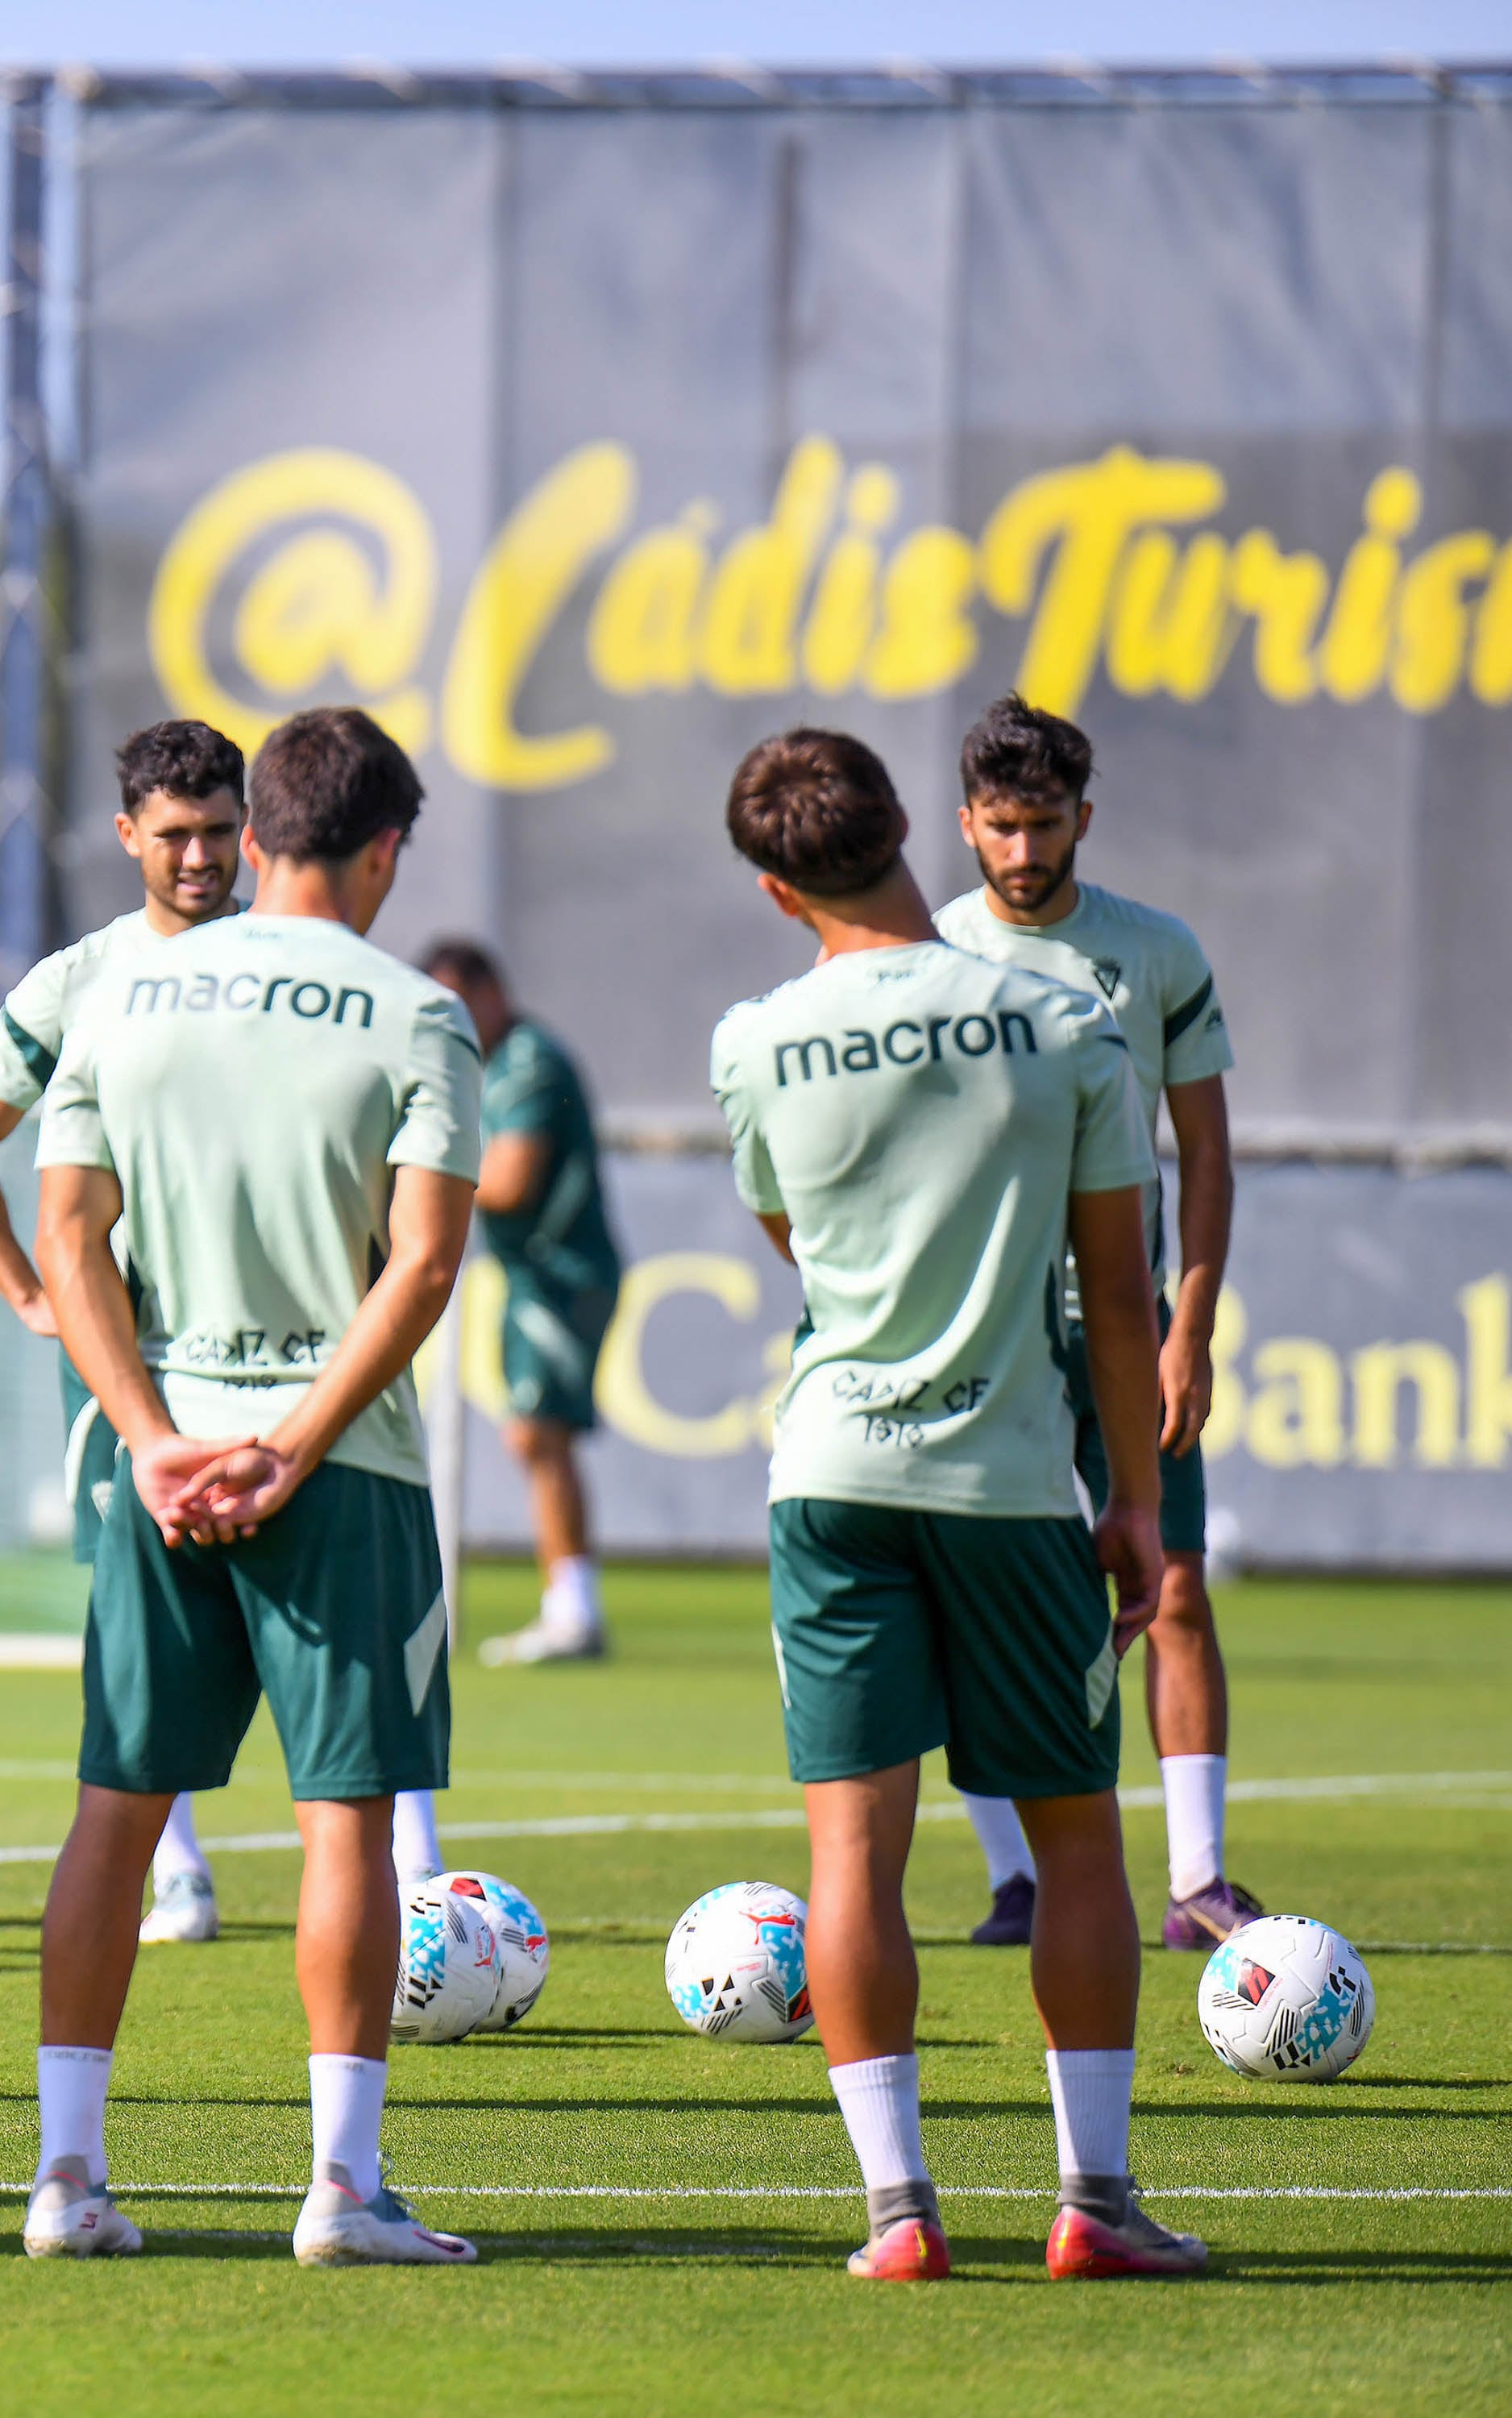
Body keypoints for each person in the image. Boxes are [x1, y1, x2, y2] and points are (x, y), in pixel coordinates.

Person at [709, 726, 1204, 2283]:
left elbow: (797, 1237)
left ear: (779, 890)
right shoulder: (1061, 1018)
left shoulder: (757, 1037)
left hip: (832, 1475)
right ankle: (1093, 2209)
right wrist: (1134, 1500)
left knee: (851, 1854)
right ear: (915, 827)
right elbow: (1117, 1296)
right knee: (1074, 1844)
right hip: (1007, 1483)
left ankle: (898, 2217)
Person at [19, 706, 484, 2268]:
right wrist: (291, 1437)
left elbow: (70, 1231)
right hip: (338, 1467)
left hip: (161, 1464)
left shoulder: (124, 990)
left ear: (255, 827)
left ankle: (66, 2181)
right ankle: (343, 2191)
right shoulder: (416, 1014)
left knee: (116, 1810)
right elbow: (420, 1270)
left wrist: (149, 1433)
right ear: (381, 852)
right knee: (344, 1818)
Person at [933, 696, 1254, 1951]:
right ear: (967, 822)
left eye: (1047, 824)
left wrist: (1196, 1322)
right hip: (984, 1332)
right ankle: (1015, 1877)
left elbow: (1208, 1152)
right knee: (976, 1598)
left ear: (1085, 818)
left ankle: (1198, 1883)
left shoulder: (1155, 951)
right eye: (1003, 826)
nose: (1024, 852)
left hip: (1127, 1323)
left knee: (1173, 1588)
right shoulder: (931, 954)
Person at [0, 717, 246, 1946]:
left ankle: (417, 1879)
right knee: (134, 1611)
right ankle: (180, 1872)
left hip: (281, 1337)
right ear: (128, 836)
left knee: (345, 1600)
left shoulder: (294, 966)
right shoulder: (81, 979)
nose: (200, 858)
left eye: (221, 832)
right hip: (133, 1359)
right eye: (175, 835)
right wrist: (30, 1292)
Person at [420, 941, 625, 1668]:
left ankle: (573, 1609)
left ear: (489, 991)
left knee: (539, 1435)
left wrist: (423, 1160)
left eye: (457, 1002)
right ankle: (570, 1601)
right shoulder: (497, 1062)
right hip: (536, 1272)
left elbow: (508, 1184)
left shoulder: (528, 1061)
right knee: (537, 1436)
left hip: (561, 1272)